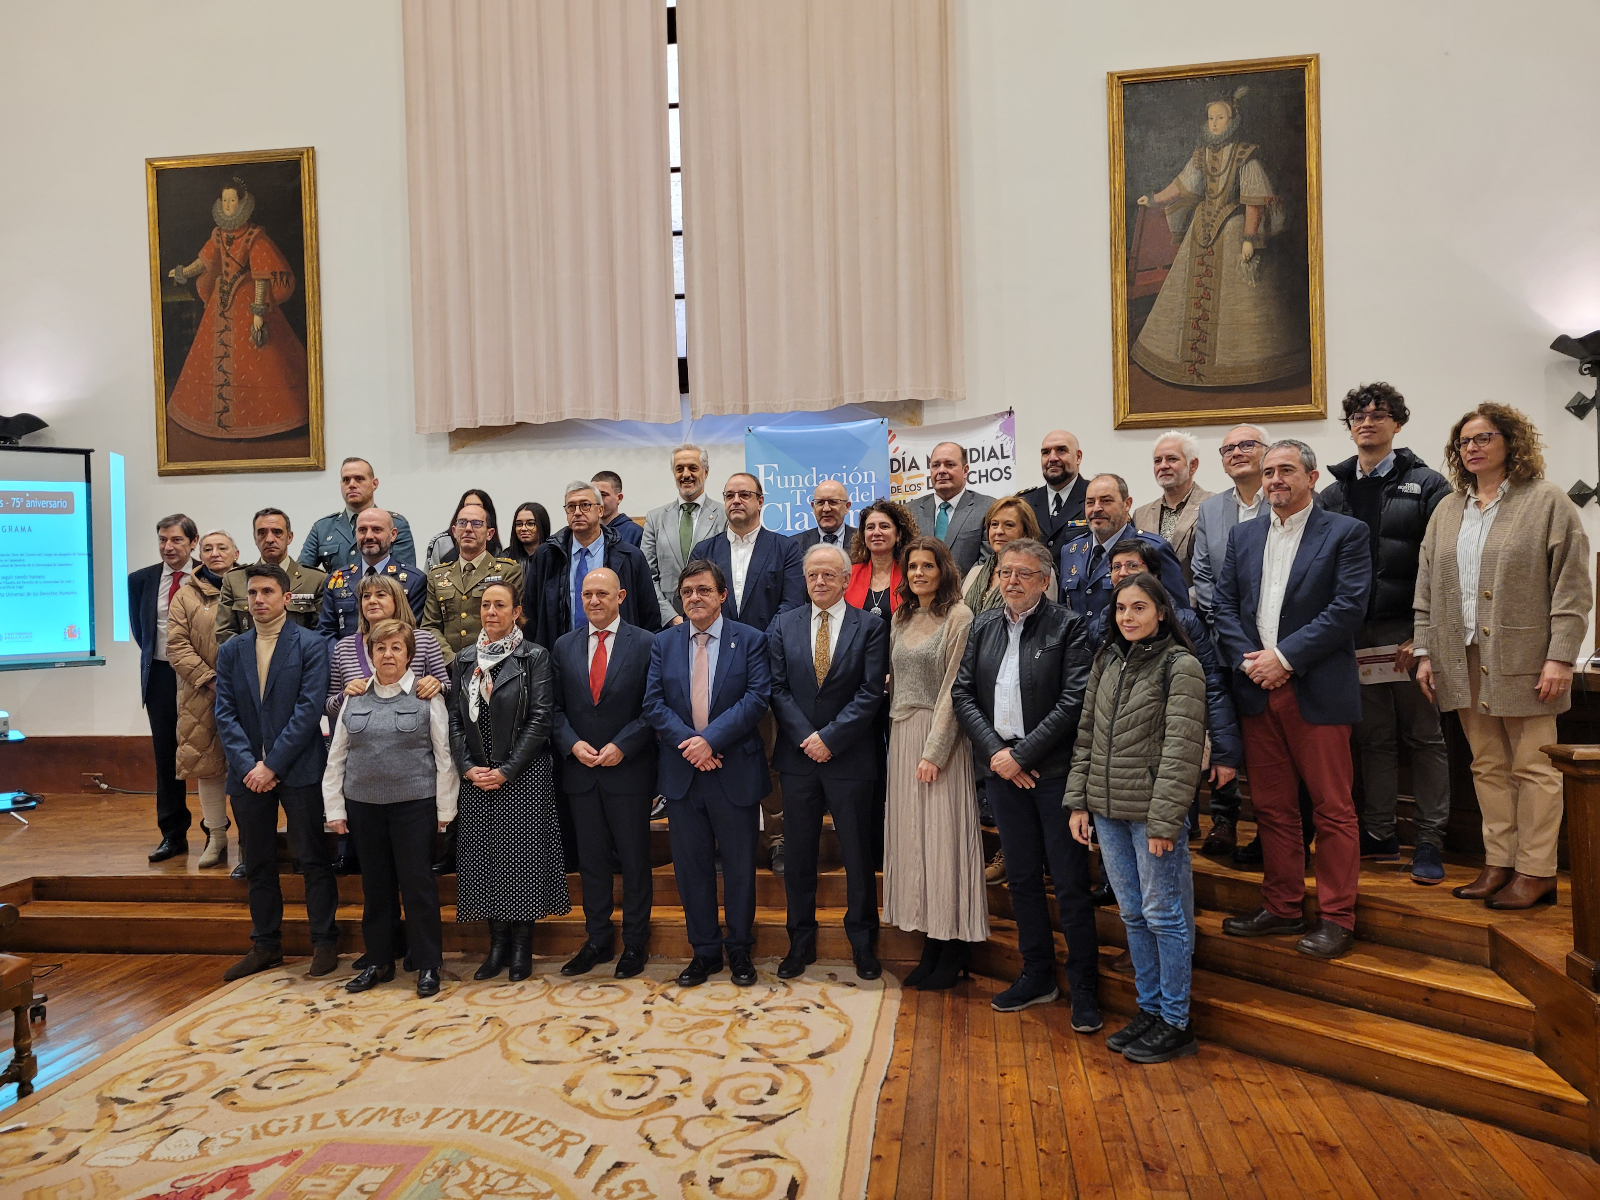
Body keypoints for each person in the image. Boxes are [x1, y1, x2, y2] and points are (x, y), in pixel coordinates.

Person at [1416, 403, 1592, 910]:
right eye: (1464, 441)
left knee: (1535, 767)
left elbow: (1573, 588)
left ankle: (1536, 871)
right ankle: (1500, 862)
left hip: (1525, 658)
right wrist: (1426, 651)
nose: (1472, 448)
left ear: (1511, 443)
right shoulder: (1448, 509)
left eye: (1483, 438)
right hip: (1461, 657)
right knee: (1487, 765)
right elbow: (1425, 587)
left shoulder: (1547, 502)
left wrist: (1561, 657)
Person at [1214, 440, 1371, 959]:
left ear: (1311, 475)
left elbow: (1348, 609)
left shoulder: (1346, 533)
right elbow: (1226, 607)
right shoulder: (1244, 535)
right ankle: (1281, 906)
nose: (1275, 479)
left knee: (1333, 809)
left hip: (1315, 690)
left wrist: (1282, 659)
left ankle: (1336, 916)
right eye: (1268, 472)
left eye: (1285, 470)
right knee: (1273, 808)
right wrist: (1251, 660)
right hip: (1257, 689)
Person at [951, 538, 1099, 1027]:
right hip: (1002, 772)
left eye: (1024, 574)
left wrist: (1023, 755)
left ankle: (1084, 987)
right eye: (1005, 572)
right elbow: (963, 692)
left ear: (1045, 580)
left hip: (1052, 774)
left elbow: (1074, 700)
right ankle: (1037, 974)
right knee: (1021, 881)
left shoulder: (1069, 626)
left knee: (1070, 884)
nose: (1012, 581)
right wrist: (997, 753)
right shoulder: (985, 625)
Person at [1068, 573, 1207, 1064]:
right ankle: (1148, 1010)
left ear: (1161, 612)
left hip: (1151, 816)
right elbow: (1086, 734)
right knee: (1131, 914)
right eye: (1121, 609)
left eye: (1139, 608)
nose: (1128, 617)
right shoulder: (1107, 659)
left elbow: (1181, 751)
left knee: (1164, 916)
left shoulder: (1180, 665)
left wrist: (1167, 822)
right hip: (1107, 810)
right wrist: (1079, 801)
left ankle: (1175, 1020)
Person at [1318, 383, 1453, 883]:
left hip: (1409, 631)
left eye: (1378, 414)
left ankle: (1429, 841)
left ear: (1398, 423)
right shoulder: (1332, 493)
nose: (1366, 422)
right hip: (1356, 635)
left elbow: (1445, 565)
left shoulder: (1428, 483)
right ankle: (1378, 833)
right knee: (1372, 739)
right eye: (1357, 415)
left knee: (1424, 736)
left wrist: (1424, 636)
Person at [643, 560, 771, 988]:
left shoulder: (750, 639)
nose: (694, 598)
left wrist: (710, 741)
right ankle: (703, 952)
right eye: (687, 592)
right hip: (683, 775)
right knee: (690, 868)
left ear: (722, 595)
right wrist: (692, 746)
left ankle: (739, 950)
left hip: (734, 769)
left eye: (702, 590)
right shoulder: (664, 643)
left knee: (738, 869)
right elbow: (654, 704)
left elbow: (757, 698)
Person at [1131, 88, 1308, 389]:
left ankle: (1240, 370)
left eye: (1221, 118)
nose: (1214, 124)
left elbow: (1254, 199)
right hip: (1201, 230)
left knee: (1241, 306)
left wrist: (1249, 237)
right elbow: (1183, 184)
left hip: (1234, 230)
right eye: (1211, 118)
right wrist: (1155, 198)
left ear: (1233, 119)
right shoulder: (1201, 155)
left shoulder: (1246, 155)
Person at [769, 544, 889, 981]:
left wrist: (831, 739)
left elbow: (871, 691)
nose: (819, 582)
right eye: (812, 575)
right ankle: (799, 943)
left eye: (828, 575)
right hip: (799, 758)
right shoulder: (783, 624)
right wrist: (807, 738)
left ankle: (863, 944)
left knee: (858, 856)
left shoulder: (871, 625)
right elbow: (777, 689)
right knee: (798, 857)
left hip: (850, 758)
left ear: (844, 579)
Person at [213, 564, 338, 981]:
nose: (258, 600)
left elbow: (308, 710)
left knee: (312, 859)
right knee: (258, 863)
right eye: (252, 593)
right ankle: (265, 944)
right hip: (247, 775)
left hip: (297, 769)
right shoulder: (232, 649)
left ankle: (324, 941)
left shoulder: (312, 644)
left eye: (267, 591)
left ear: (286, 598)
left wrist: (273, 764)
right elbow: (225, 713)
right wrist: (251, 766)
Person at [323, 618, 453, 998]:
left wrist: (445, 811)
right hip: (364, 807)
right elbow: (337, 757)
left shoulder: (427, 696)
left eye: (396, 647)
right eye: (380, 648)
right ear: (370, 654)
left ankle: (428, 963)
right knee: (375, 888)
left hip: (415, 806)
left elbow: (444, 757)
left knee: (418, 887)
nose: (388, 654)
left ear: (409, 653)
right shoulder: (355, 695)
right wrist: (335, 809)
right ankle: (379, 960)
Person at [448, 581, 570, 981]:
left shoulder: (533, 656)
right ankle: (496, 945)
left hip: (522, 776)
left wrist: (506, 769)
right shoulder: (465, 659)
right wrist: (468, 767)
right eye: (485, 605)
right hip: (478, 778)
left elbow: (540, 720)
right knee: (484, 862)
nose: (491, 612)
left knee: (523, 863)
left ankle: (521, 949)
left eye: (500, 605)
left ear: (516, 612)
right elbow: (454, 720)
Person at [883, 536, 985, 991]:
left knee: (943, 841)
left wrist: (935, 752)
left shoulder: (960, 616)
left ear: (944, 569)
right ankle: (930, 943)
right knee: (914, 842)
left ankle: (954, 947)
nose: (919, 573)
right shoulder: (902, 615)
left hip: (938, 739)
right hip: (902, 734)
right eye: (913, 567)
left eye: (928, 565)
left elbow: (954, 689)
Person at [690, 474, 804, 870]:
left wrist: (752, 644)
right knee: (721, 751)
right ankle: (725, 840)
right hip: (714, 669)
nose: (736, 500)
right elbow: (699, 602)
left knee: (769, 754)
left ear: (760, 500)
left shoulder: (785, 547)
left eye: (745, 494)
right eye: (730, 495)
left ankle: (778, 839)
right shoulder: (706, 549)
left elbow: (790, 605)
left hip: (767, 663)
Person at [551, 568, 658, 979]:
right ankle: (597, 939)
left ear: (621, 596)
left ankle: (635, 942)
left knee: (633, 862)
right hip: (581, 772)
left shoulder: (646, 643)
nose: (594, 601)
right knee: (592, 863)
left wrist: (623, 745)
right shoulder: (564, 645)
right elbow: (555, 708)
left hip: (628, 770)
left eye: (602, 594)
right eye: (587, 594)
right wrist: (571, 743)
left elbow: (654, 707)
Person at [163, 178, 309, 441]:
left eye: (233, 200)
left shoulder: (254, 236)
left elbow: (263, 275)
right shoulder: (218, 234)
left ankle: (260, 424)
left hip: (248, 300)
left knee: (262, 364)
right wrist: (183, 271)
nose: (229, 205)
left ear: (242, 203)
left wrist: (258, 312)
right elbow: (205, 262)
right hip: (221, 301)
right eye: (225, 200)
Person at [1188, 425, 1268, 858]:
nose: (1237, 452)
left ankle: (1269, 829)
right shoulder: (1211, 509)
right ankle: (1223, 819)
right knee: (1222, 731)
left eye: (1247, 445)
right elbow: (1202, 575)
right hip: (1222, 640)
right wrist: (1227, 630)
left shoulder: (1284, 500)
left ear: (1267, 453)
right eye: (1229, 448)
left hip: (1274, 646)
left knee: (1265, 740)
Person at [165, 528, 240, 869]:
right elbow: (176, 646)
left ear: (236, 553)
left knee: (247, 766)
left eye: (222, 547)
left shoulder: (251, 585)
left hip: (250, 692)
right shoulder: (185, 594)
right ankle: (217, 837)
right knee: (208, 768)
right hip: (200, 693)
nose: (214, 553)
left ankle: (252, 839)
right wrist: (212, 681)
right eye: (208, 548)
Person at [128, 513, 200, 862]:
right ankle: (173, 834)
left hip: (202, 678)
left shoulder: (210, 575)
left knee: (214, 752)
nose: (168, 547)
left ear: (193, 542)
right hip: (159, 677)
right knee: (167, 757)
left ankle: (219, 829)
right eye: (162, 540)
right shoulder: (140, 580)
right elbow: (142, 634)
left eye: (176, 540)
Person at [526, 481, 661, 650]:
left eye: (585, 505)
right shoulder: (547, 555)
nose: (577, 512)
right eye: (571, 507)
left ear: (600, 510)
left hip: (618, 655)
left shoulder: (629, 556)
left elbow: (649, 616)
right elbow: (531, 614)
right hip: (561, 655)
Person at [1059, 475, 1188, 626]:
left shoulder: (1153, 549)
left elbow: (1180, 614)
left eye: (1106, 501)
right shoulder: (1071, 550)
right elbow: (1063, 610)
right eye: (1090, 502)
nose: (1096, 508)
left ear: (1127, 504)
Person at [327, 575, 450, 719]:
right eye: (366, 596)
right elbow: (329, 707)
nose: (372, 601)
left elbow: (448, 691)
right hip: (361, 736)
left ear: (397, 600)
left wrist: (436, 686)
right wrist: (344, 696)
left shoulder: (424, 640)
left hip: (412, 732)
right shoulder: (343, 647)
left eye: (380, 595)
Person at [422, 502, 522, 657]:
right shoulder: (438, 576)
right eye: (462, 523)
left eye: (476, 524)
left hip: (493, 661)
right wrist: (452, 660)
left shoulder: (507, 571)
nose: (468, 529)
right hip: (448, 666)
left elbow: (511, 622)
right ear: (454, 531)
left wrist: (480, 660)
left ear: (490, 533)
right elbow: (430, 626)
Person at [642, 443, 727, 625]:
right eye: (679, 469)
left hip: (713, 620)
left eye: (693, 468)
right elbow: (647, 575)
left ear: (706, 472)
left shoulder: (724, 516)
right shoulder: (655, 518)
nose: (686, 474)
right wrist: (671, 617)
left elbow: (725, 573)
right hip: (666, 624)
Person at [216, 508, 327, 643]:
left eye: (277, 532)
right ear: (255, 538)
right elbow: (224, 632)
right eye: (262, 533)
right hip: (248, 660)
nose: (269, 539)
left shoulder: (315, 580)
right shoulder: (235, 580)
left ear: (289, 537)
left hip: (300, 660)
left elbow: (321, 633)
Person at [318, 509, 426, 642]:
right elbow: (326, 633)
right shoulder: (336, 580)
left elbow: (413, 632)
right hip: (346, 660)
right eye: (362, 530)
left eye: (377, 530)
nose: (369, 536)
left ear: (393, 535)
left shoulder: (413, 580)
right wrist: (344, 660)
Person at [299, 457, 417, 573]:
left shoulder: (395, 523)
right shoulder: (323, 528)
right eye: (346, 480)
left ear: (374, 484)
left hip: (381, 590)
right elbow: (302, 576)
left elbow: (405, 574)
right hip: (335, 591)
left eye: (359, 479)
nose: (351, 484)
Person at [1133, 431, 1212, 590]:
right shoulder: (1140, 514)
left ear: (1193, 465)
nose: (1163, 466)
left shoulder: (1212, 506)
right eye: (1157, 461)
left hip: (1197, 608)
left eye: (1172, 459)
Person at [962, 496, 1059, 615]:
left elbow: (1044, 620)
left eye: (1008, 525)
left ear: (1025, 531)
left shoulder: (1040, 572)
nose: (999, 531)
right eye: (994, 524)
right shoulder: (974, 573)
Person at [907, 442, 994, 574]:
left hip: (967, 592)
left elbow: (987, 563)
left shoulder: (988, 508)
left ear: (965, 471)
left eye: (950, 464)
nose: (941, 471)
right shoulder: (910, 512)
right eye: (935, 465)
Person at [1016, 429, 1089, 557]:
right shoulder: (1025, 502)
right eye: (1046, 452)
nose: (1052, 458)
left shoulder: (1095, 498)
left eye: (1061, 450)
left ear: (1078, 457)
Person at [845, 498, 917, 619]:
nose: (876, 532)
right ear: (863, 536)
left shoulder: (911, 574)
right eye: (870, 527)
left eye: (884, 526)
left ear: (898, 535)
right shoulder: (849, 575)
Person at [424, 489, 504, 569]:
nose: (468, 529)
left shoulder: (495, 547)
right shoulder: (441, 542)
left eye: (478, 506)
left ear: (489, 534)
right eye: (468, 505)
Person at [791, 479, 856, 553]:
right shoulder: (794, 545)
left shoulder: (863, 540)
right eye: (820, 502)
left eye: (833, 502)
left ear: (847, 507)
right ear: (813, 507)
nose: (826, 509)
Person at [591, 470, 643, 548]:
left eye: (603, 495)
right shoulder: (585, 530)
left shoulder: (634, 532)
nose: (597, 500)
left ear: (619, 498)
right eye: (593, 495)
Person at [508, 502, 551, 568]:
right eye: (519, 524)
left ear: (542, 525)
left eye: (530, 523)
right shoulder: (505, 558)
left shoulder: (554, 556)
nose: (523, 528)